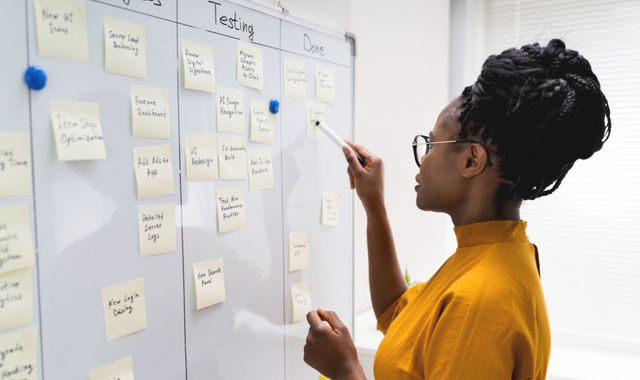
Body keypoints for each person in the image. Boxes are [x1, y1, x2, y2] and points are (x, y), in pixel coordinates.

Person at [303, 39, 611, 379]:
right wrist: (373, 204)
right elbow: (397, 313)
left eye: (432, 143)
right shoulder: (495, 252)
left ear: (471, 160)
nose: (423, 155)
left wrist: (346, 370)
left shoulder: (480, 301)